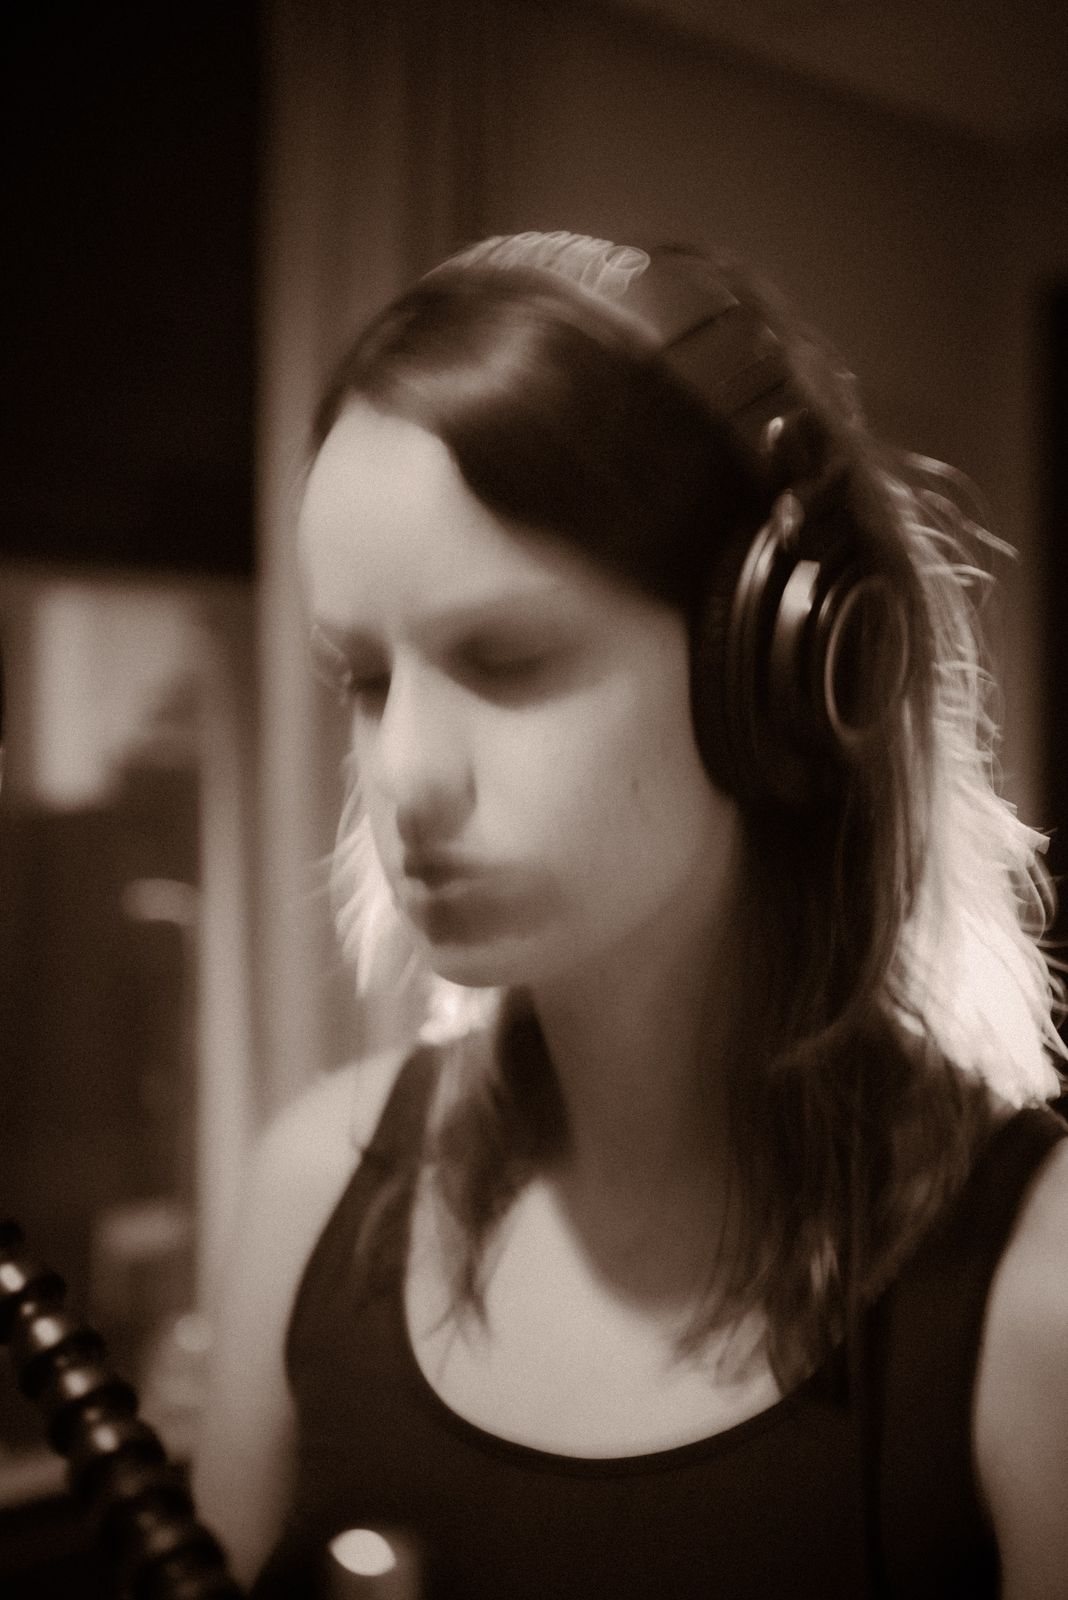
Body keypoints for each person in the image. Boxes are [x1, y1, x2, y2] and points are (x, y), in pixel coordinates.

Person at [193, 232, 1068, 1599]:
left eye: (508, 658)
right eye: (364, 679)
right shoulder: (312, 1192)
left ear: (779, 674)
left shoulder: (1038, 1289)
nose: (403, 776)